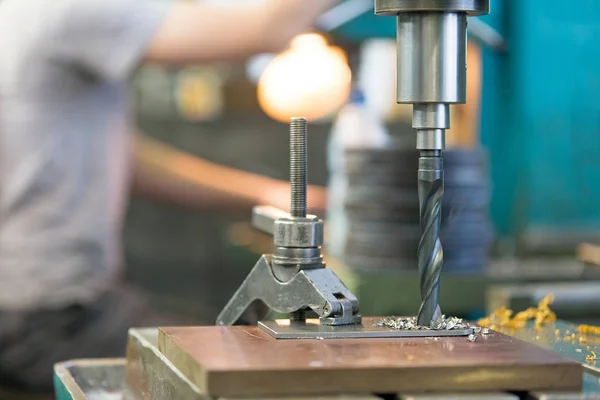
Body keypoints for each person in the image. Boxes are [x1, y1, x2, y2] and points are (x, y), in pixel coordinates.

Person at [0, 0, 336, 393]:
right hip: (50, 316)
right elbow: (268, 29)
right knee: (243, 372)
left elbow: (131, 162)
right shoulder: (69, 6)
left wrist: (267, 194)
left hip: (47, 302)